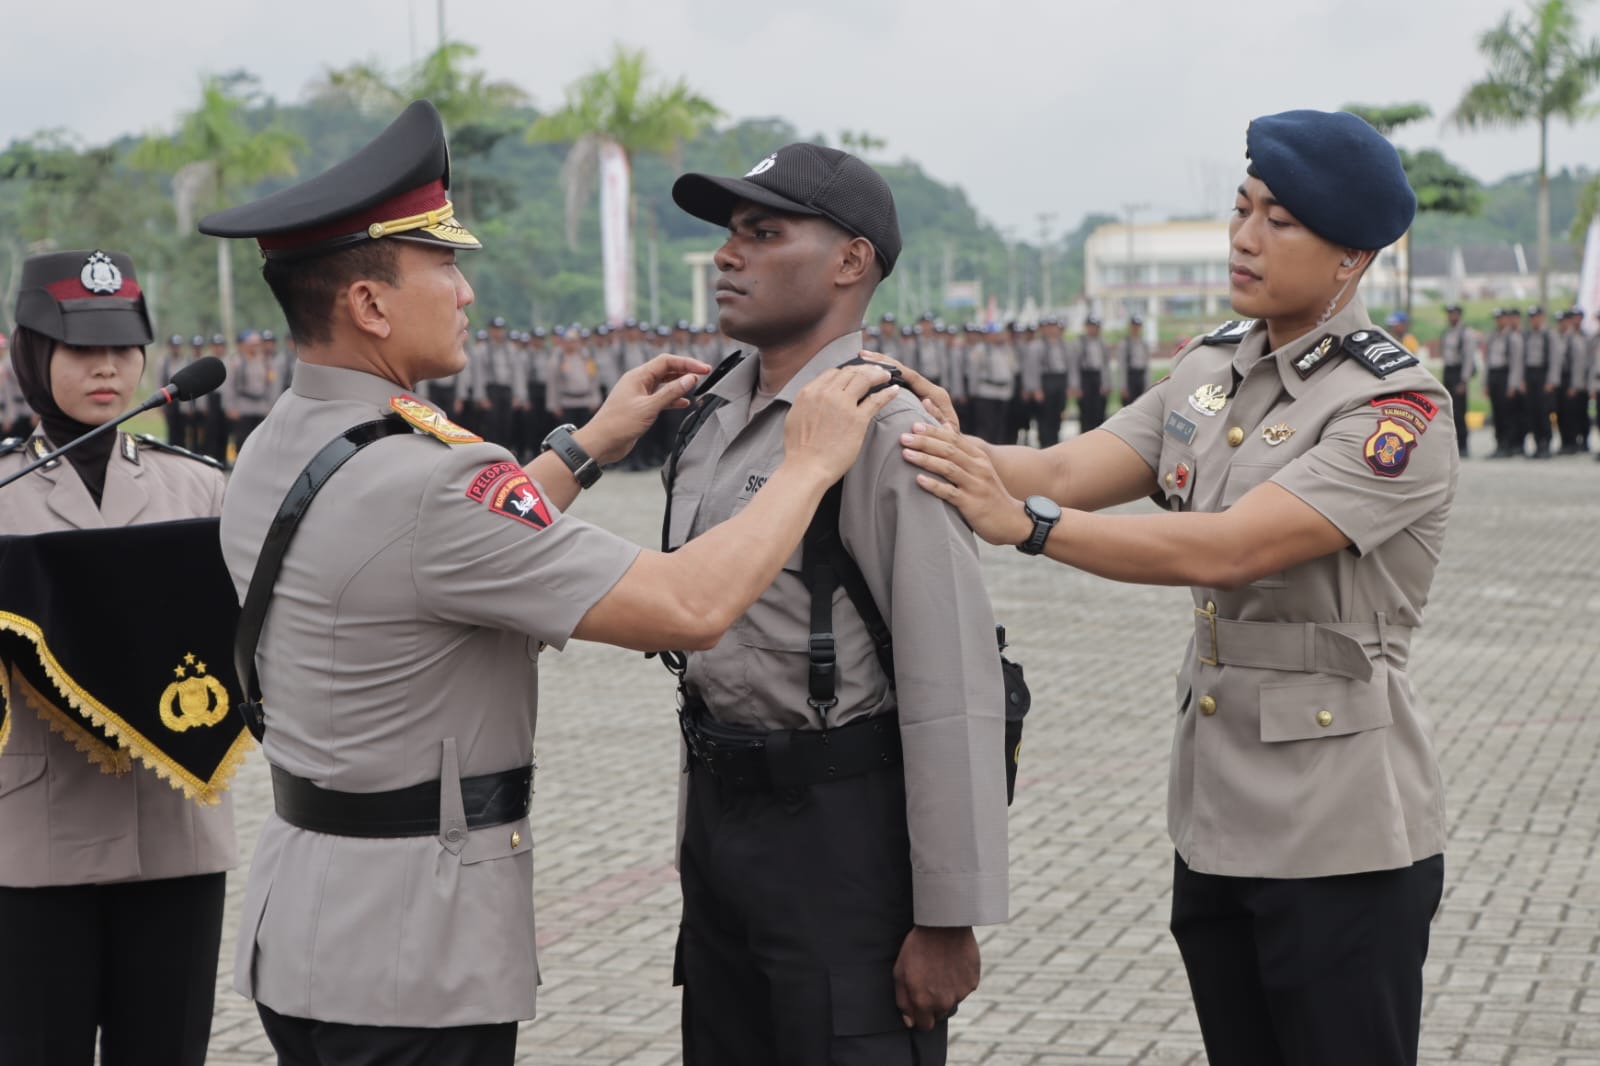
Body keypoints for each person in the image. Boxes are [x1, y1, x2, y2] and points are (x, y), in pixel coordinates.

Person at [198, 100, 895, 1066]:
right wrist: (808, 465)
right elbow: (689, 606)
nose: (466, 293)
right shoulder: (433, 476)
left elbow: (440, 553)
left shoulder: (281, 440)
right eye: (444, 267)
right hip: (413, 956)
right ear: (369, 305)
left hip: (307, 919)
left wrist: (589, 445)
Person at [900, 109, 1453, 1066]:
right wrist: (928, 438)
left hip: (1341, 830)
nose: (1244, 238)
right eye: (1242, 209)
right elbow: (1070, 467)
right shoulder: (1210, 369)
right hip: (1216, 814)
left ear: (1351, 257)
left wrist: (1028, 529)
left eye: (1280, 221)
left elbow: (1231, 549)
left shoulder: (1393, 407)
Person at [665, 143, 1007, 1066]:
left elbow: (954, 677)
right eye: (728, 234)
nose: (727, 255)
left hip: (840, 830)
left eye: (763, 232)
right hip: (724, 822)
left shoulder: (887, 429)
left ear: (851, 261)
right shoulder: (709, 416)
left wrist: (948, 914)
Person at [0, 250, 235, 1066]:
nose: (107, 368)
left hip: (176, 827)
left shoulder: (201, 491)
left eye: (123, 348)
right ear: (27, 354)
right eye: (79, 349)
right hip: (33, 837)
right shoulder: (3, 492)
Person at [1512, 305, 1552, 459]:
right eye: (1532, 318)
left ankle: (1546, 444)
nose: (1534, 320)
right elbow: (1521, 360)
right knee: (1532, 411)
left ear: (1542, 318)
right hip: (1530, 375)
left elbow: (1554, 360)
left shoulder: (1548, 335)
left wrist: (1551, 381)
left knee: (1543, 412)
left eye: (1537, 317)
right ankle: (1537, 444)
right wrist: (1521, 380)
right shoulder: (1527, 336)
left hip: (1543, 375)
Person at [1437, 304, 1477, 458]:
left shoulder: (1466, 333)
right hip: (1449, 372)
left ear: (1459, 315)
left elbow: (1468, 358)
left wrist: (1464, 380)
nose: (1451, 317)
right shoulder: (1447, 333)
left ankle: (1464, 445)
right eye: (1449, 314)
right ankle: (1452, 445)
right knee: (1449, 411)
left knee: (1460, 412)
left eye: (1453, 314)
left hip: (1459, 373)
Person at [1484, 307, 1521, 458]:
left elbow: (1516, 363)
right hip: (1494, 375)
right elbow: (1487, 361)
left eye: (1501, 318)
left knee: (1507, 413)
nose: (1499, 321)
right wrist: (1486, 383)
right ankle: (1499, 443)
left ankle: (1508, 444)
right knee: (1497, 412)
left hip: (1505, 375)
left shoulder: (1512, 337)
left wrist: (1513, 384)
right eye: (1497, 319)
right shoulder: (1493, 337)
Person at [1068, 313, 1110, 433]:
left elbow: (1105, 365)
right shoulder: (1079, 342)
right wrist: (1075, 386)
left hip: (1098, 377)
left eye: (1095, 327)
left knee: (1099, 411)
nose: (1093, 329)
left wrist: (1106, 383)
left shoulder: (1102, 343)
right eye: (1090, 326)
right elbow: (1074, 366)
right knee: (1086, 412)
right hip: (1084, 378)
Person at [1116, 314, 1152, 405]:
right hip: (1130, 377)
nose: (1136, 329)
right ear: (1130, 327)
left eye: (1138, 326)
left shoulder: (1144, 344)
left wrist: (1148, 385)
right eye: (1134, 326)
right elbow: (1122, 367)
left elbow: (1147, 366)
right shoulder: (1124, 344)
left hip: (1141, 376)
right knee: (1129, 405)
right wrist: (1123, 386)